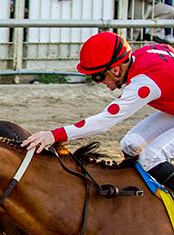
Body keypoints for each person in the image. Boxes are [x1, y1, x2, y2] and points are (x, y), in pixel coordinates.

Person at [23, 31, 174, 190]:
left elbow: (103, 122)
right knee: (131, 144)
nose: (99, 83)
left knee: (151, 158)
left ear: (116, 70)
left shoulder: (143, 84)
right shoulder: (146, 52)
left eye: (98, 77)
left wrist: (53, 135)